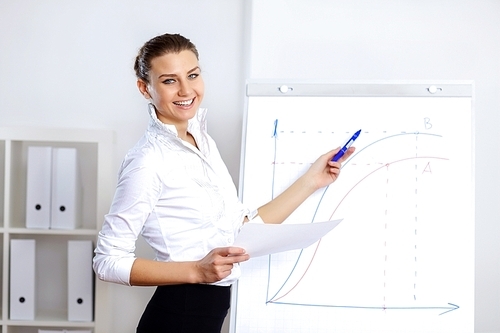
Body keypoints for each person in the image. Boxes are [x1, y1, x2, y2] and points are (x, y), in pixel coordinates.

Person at [93, 33, 354, 333]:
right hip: (177, 316)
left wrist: (312, 180)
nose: (186, 90)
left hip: (207, 314)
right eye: (169, 81)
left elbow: (240, 230)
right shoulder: (147, 161)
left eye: (192, 75)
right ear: (145, 88)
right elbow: (107, 261)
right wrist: (196, 270)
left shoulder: (202, 141)